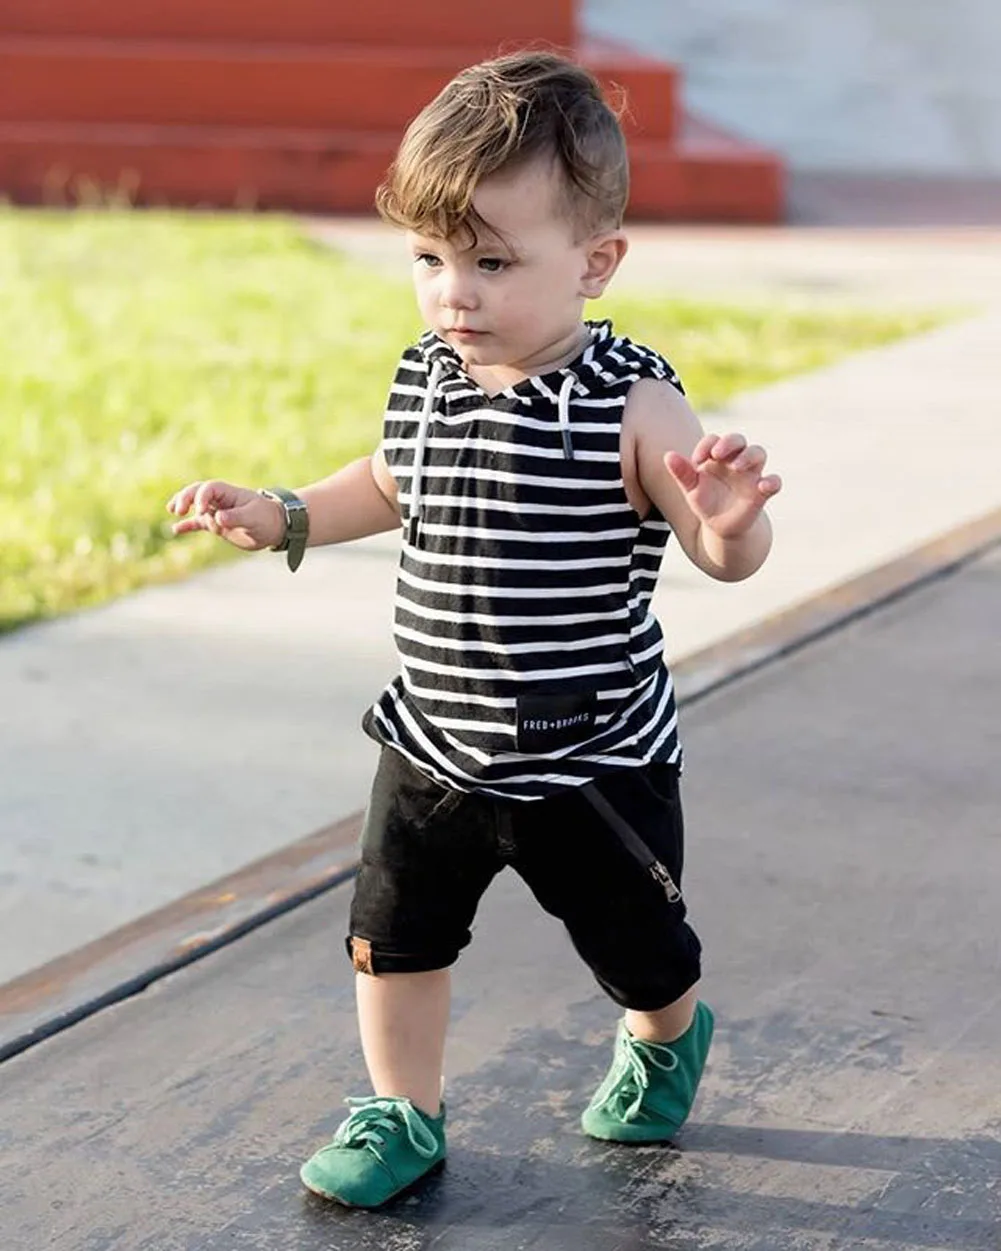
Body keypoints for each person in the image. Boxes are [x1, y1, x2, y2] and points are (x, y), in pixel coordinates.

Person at [167, 50, 781, 1209]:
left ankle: (664, 1038)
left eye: (491, 262)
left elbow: (715, 552)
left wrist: (728, 523)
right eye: (428, 258)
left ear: (594, 262)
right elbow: (388, 483)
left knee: (639, 954)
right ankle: (402, 1110)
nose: (453, 293)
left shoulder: (631, 403)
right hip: (434, 742)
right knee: (391, 938)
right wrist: (286, 512)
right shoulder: (428, 377)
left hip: (589, 756)